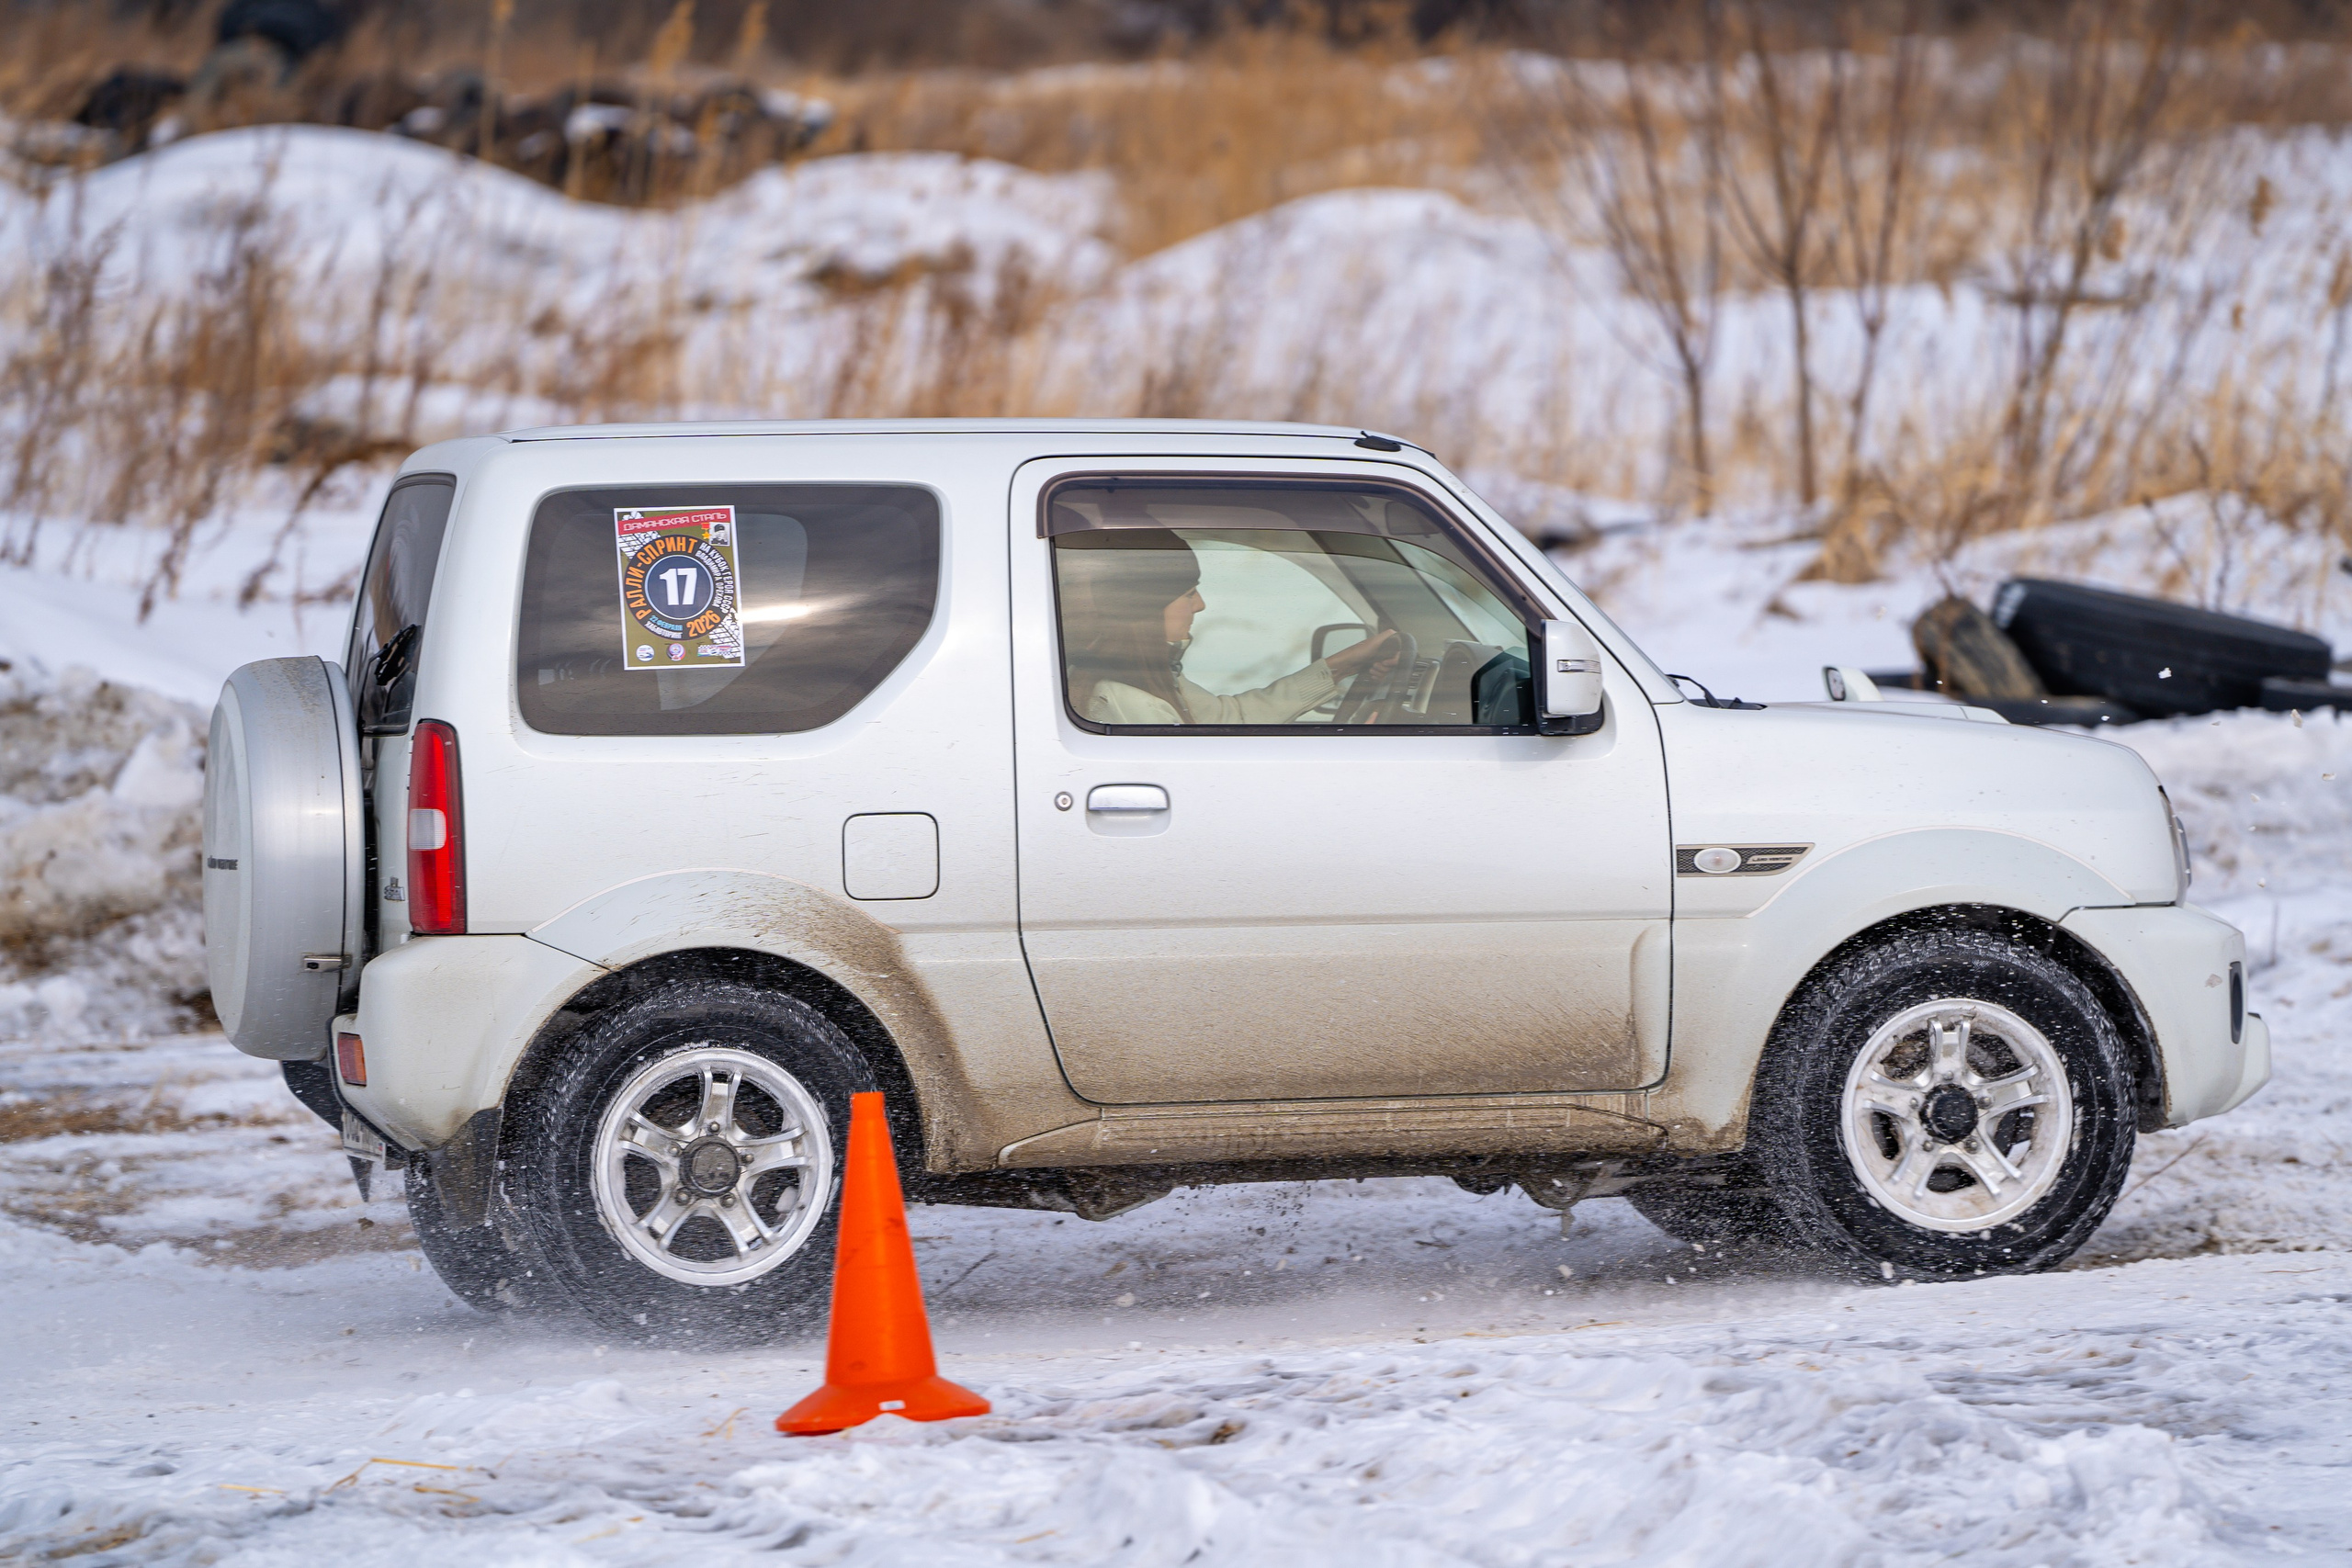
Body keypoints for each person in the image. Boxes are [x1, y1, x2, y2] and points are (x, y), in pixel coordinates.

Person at [1063, 528, 1402, 725]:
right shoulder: (1130, 701)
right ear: (1146, 607)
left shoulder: (1149, 679)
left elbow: (1231, 718)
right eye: (1188, 593)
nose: (1200, 605)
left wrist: (1342, 666)